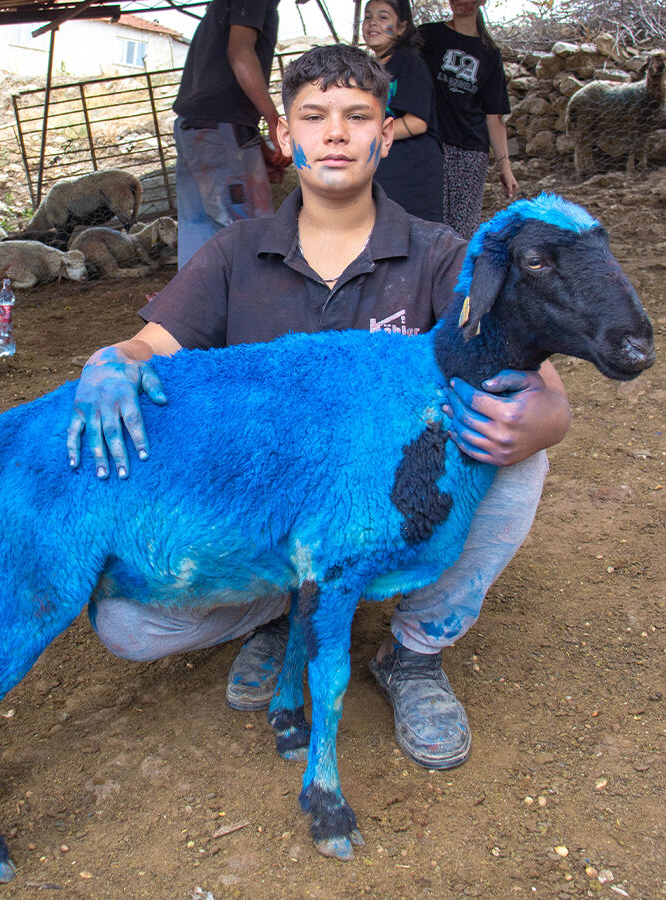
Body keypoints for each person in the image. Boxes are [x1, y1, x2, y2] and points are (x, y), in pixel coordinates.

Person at [66, 44, 571, 771]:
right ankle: (276, 607)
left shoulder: (436, 253)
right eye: (312, 116)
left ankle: (414, 652)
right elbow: (148, 346)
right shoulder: (236, 253)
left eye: (356, 116)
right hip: (268, 513)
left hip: (387, 499)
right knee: (128, 627)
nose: (334, 133)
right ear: (284, 137)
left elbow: (538, 387)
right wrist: (111, 363)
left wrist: (544, 419)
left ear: (385, 134)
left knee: (512, 448)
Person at [172, 0, 288, 268]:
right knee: (251, 234)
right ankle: (259, 307)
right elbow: (240, 52)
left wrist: (252, 142)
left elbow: (218, 90)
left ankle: (193, 308)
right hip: (218, 130)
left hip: (196, 127)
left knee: (198, 229)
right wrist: (273, 118)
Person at [418, 0, 518, 239]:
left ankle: (458, 276)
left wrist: (505, 167)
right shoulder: (427, 36)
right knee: (427, 223)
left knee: (462, 231)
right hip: (429, 144)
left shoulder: (490, 54)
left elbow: (494, 116)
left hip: (470, 152)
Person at [362, 0, 444, 222]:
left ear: (401, 28)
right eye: (368, 16)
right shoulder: (367, 71)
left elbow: (417, 122)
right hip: (383, 174)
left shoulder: (409, 63)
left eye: (383, 17)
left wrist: (363, 136)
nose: (372, 23)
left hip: (411, 174)